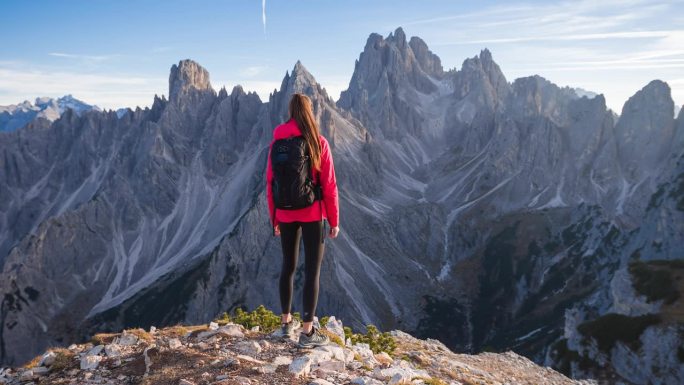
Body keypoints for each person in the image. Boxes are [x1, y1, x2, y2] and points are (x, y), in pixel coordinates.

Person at [266, 93, 340, 348]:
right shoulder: (317, 143)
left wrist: (274, 216)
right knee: (312, 271)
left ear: (290, 112)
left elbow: (270, 183)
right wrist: (334, 219)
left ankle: (285, 325)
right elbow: (329, 185)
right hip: (312, 214)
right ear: (310, 112)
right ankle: (307, 333)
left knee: (288, 266)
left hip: (285, 213)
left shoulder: (277, 144)